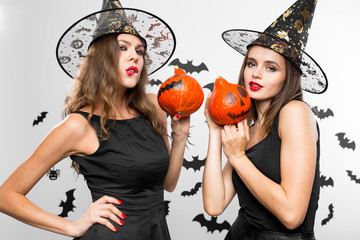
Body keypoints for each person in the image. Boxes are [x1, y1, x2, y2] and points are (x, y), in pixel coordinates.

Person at [0, 1, 189, 239]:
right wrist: (70, 226)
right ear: (101, 58)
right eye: (123, 48)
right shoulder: (78, 126)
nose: (135, 57)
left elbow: (168, 184)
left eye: (140, 51)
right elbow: (6, 195)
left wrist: (180, 136)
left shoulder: (154, 106)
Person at [202, 0, 328, 239]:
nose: (256, 73)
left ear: (287, 77)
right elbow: (214, 205)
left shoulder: (295, 112)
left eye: (271, 68)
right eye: (251, 63)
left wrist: (238, 157)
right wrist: (214, 131)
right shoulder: (247, 129)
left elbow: (292, 215)